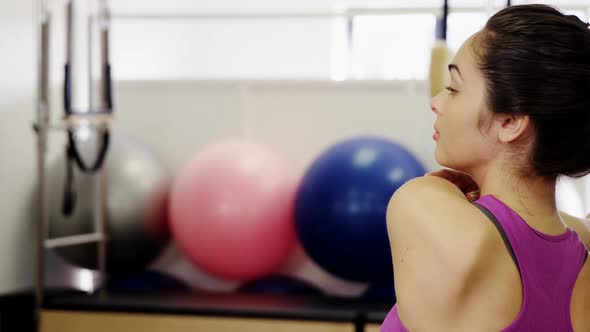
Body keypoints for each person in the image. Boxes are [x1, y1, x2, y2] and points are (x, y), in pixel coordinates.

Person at [383, 4, 590, 331]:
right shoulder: (582, 251)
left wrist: (447, 187)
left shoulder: (420, 203)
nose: (436, 101)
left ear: (510, 122)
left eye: (453, 88)